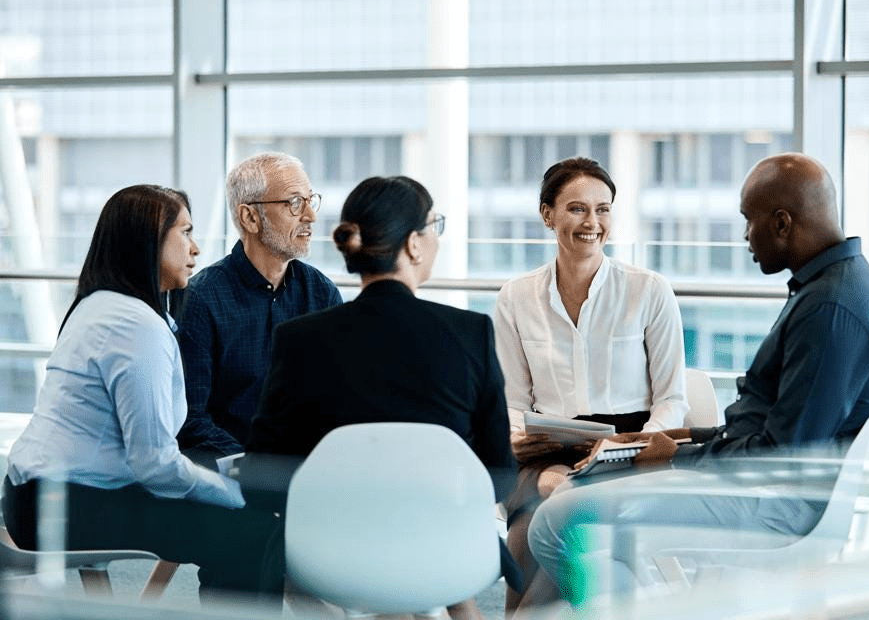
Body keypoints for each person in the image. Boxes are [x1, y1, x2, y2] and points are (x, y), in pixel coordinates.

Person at [527, 153, 869, 606]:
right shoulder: (833, 290)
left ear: (781, 223)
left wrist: (679, 458)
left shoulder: (831, 309)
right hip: (767, 485)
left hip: (777, 504)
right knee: (576, 505)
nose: (745, 236)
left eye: (749, 221)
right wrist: (687, 439)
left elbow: (780, 454)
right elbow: (776, 428)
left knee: (560, 521)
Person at [243, 175, 518, 619]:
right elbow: (500, 475)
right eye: (435, 227)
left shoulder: (300, 340)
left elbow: (261, 475)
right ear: (413, 244)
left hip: (329, 555)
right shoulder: (470, 334)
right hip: (446, 549)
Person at [3, 185, 284, 605]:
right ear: (149, 241)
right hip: (64, 505)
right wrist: (229, 490)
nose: (195, 248)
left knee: (228, 502)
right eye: (185, 233)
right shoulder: (136, 326)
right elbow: (154, 464)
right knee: (251, 527)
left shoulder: (100, 303)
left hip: (36, 494)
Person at [493, 157, 688, 609]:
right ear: (548, 215)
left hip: (625, 450)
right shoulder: (516, 297)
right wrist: (531, 447)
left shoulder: (648, 289)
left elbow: (672, 397)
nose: (592, 222)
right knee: (532, 518)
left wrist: (635, 446)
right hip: (546, 449)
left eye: (603, 209)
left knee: (546, 515)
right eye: (577, 208)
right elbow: (513, 402)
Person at [171, 152, 342, 467]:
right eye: (293, 203)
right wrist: (250, 469)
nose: (310, 216)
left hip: (310, 474)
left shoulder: (322, 293)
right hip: (232, 478)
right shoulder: (202, 299)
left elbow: (338, 401)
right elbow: (191, 418)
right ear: (249, 218)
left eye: (310, 200)